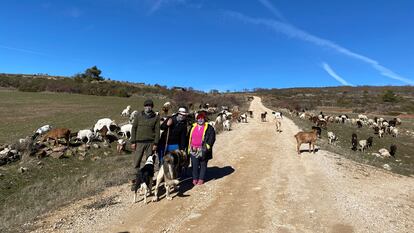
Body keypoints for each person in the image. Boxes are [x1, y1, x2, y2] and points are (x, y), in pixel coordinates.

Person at [130, 99, 160, 190]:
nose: (148, 107)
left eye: (150, 106)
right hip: (139, 142)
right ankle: (136, 181)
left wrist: (155, 143)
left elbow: (157, 131)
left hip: (150, 143)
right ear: (144, 106)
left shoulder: (156, 117)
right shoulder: (138, 115)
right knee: (136, 162)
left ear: (152, 107)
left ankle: (149, 180)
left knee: (150, 163)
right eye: (146, 105)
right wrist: (133, 141)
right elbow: (134, 128)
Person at [187, 111, 216, 185]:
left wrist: (206, 147)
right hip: (193, 148)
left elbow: (212, 138)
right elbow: (189, 137)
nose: (200, 120)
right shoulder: (193, 127)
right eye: (198, 118)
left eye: (202, 118)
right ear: (196, 119)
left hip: (203, 149)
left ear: (204, 119)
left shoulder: (209, 128)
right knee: (194, 165)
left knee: (203, 164)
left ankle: (201, 178)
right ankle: (195, 178)